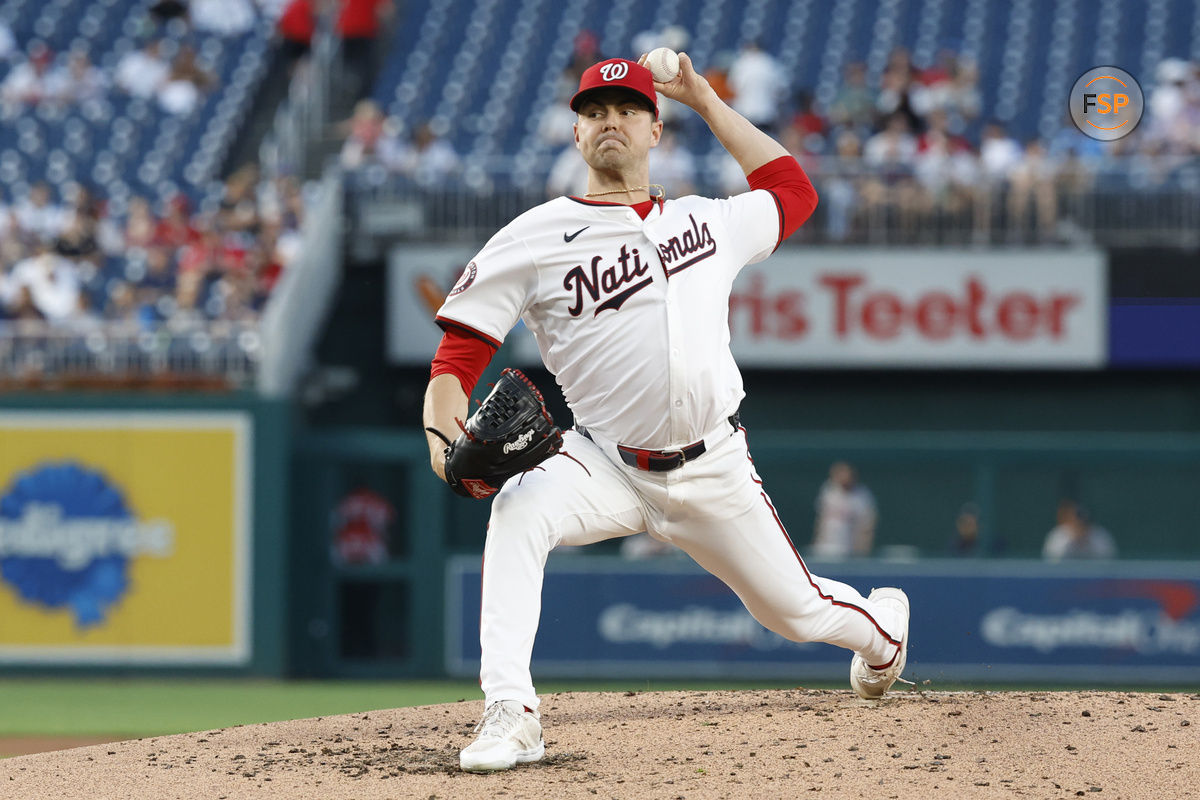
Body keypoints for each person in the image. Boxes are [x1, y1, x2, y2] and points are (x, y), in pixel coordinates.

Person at [421, 54, 911, 774]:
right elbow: (457, 358)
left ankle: (884, 632)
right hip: (605, 462)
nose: (607, 121)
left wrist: (708, 101)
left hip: (713, 466)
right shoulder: (532, 237)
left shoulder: (707, 221)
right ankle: (511, 712)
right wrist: (441, 436)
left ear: (655, 128)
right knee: (520, 506)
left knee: (796, 613)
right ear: (577, 135)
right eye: (592, 111)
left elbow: (792, 190)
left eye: (624, 109)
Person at [811, 461, 877, 559]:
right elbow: (821, 520)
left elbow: (867, 526)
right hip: (824, 548)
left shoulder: (862, 496)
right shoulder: (828, 490)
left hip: (849, 550)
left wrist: (861, 551)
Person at [1043, 500, 1117, 560]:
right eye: (1076, 522)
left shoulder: (1099, 535)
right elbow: (1052, 561)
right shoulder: (1059, 535)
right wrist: (1072, 543)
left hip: (1095, 576)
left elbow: (1109, 561)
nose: (1080, 526)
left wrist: (1087, 543)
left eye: (1083, 523)